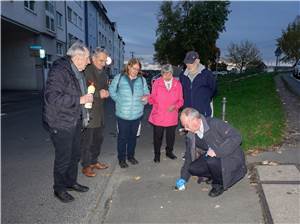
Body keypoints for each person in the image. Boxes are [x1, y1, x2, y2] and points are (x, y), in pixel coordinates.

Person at [43, 41, 93, 203]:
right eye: (87, 58)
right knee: (63, 157)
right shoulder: (59, 71)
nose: (89, 61)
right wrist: (80, 99)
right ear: (77, 57)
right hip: (61, 121)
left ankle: (71, 182)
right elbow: (52, 98)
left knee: (74, 155)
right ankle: (59, 189)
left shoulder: (77, 71)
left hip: (75, 119)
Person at [176, 107, 247, 197]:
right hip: (212, 157)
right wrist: (183, 178)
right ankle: (215, 175)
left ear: (195, 120)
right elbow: (189, 157)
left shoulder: (214, 123)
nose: (185, 129)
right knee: (193, 168)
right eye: (183, 126)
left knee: (211, 160)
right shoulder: (191, 135)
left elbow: (237, 137)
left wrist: (218, 151)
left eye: (186, 125)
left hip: (230, 156)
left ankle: (218, 185)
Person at [109, 58, 149, 168]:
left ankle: (131, 156)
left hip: (137, 115)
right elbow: (111, 90)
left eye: (138, 69)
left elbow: (147, 93)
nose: (136, 71)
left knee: (133, 137)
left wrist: (145, 99)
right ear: (129, 67)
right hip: (123, 115)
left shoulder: (142, 80)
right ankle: (121, 159)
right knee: (122, 138)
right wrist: (118, 100)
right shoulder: (120, 77)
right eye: (134, 68)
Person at [80, 48, 110, 177]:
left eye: (105, 61)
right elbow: (82, 90)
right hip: (89, 111)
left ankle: (94, 161)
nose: (103, 63)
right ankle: (86, 166)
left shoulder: (103, 73)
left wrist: (106, 92)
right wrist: (99, 93)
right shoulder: (86, 71)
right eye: (101, 60)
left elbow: (105, 88)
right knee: (88, 141)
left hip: (100, 112)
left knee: (98, 139)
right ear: (93, 59)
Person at [148, 64, 184, 163]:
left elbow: (181, 101)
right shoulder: (157, 83)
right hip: (158, 115)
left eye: (169, 74)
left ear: (172, 73)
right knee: (157, 137)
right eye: (164, 74)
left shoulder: (178, 84)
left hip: (171, 115)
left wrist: (175, 106)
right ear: (162, 74)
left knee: (170, 137)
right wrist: (149, 100)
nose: (167, 76)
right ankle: (157, 154)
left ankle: (169, 152)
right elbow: (152, 97)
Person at [179, 51, 216, 117]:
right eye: (187, 63)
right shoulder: (182, 76)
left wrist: (204, 100)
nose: (188, 65)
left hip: (203, 112)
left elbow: (213, 90)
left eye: (191, 63)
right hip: (188, 112)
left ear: (197, 61)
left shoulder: (207, 74)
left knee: (203, 127)